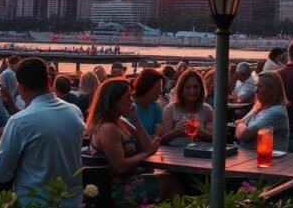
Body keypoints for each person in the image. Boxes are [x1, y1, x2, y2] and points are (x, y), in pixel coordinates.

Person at [0, 57, 85, 208]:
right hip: (73, 201)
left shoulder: (19, 121)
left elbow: (0, 173)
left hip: (34, 202)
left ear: (20, 87)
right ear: (49, 81)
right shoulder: (74, 112)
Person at [87, 78, 178, 206]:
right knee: (174, 182)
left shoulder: (120, 121)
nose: (131, 100)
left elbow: (148, 145)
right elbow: (120, 166)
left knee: (173, 178)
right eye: (128, 96)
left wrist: (136, 120)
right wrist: (147, 153)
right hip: (118, 189)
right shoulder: (108, 128)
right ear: (114, 100)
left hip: (131, 180)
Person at [235, 71, 290, 152]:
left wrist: (240, 124)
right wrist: (254, 111)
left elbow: (244, 134)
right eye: (256, 86)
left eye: (260, 87)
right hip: (251, 159)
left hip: (270, 161)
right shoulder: (262, 109)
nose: (255, 91)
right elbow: (239, 133)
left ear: (273, 90)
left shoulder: (276, 112)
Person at [161, 69, 212, 147]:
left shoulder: (207, 110)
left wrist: (203, 134)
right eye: (188, 87)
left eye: (196, 87)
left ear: (201, 88)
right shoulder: (170, 109)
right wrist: (175, 132)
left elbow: (214, 139)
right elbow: (163, 141)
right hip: (174, 154)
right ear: (181, 89)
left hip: (200, 154)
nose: (192, 91)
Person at [132, 69, 164, 137]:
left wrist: (156, 134)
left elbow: (159, 124)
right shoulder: (130, 107)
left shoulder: (155, 105)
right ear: (147, 87)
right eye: (158, 87)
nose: (161, 91)